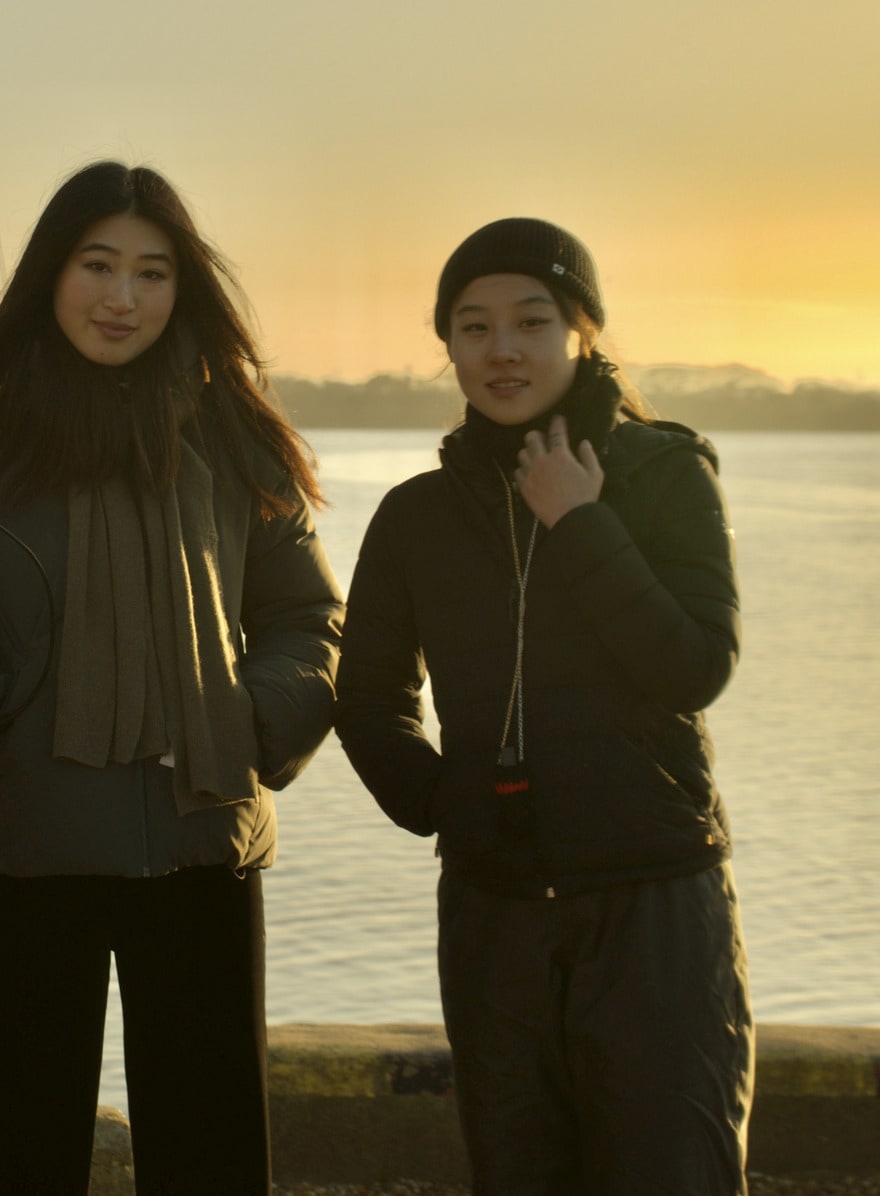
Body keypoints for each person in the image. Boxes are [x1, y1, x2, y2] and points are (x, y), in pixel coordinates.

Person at [0, 161, 344, 1194]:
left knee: (212, 1149)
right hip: (31, 852)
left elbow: (308, 617)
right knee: (21, 1151)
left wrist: (253, 719)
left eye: (151, 272)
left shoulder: (234, 438)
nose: (121, 297)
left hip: (205, 844)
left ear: (182, 288)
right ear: (54, 275)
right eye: (98, 265)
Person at [335, 218, 752, 1192]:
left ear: (583, 331)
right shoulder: (416, 515)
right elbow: (368, 697)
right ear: (448, 346)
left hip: (654, 901)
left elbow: (697, 665)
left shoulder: (663, 472)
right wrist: (448, 804)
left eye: (531, 320)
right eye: (473, 327)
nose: (503, 349)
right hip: (495, 912)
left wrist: (581, 521)